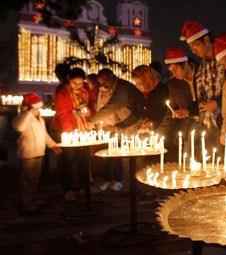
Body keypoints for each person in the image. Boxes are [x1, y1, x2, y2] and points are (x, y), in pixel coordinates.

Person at [89, 68, 144, 191]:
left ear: (111, 77)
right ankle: (125, 184)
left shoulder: (122, 88)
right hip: (121, 124)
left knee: (129, 157)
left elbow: (112, 106)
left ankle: (133, 186)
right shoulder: (111, 87)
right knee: (117, 154)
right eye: (101, 83)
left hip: (132, 124)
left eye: (104, 82)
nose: (103, 85)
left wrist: (92, 120)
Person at [13, 92, 61, 215]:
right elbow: (19, 127)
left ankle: (31, 202)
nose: (38, 110)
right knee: (27, 180)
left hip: (39, 152)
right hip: (28, 153)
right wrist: (28, 113)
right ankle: (25, 204)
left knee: (34, 180)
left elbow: (44, 134)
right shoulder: (22, 117)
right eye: (36, 108)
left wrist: (53, 145)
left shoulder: (40, 119)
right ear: (29, 107)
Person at [179, 21, 226, 139]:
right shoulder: (200, 69)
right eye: (191, 48)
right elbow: (201, 102)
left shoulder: (225, 60)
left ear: (206, 40)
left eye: (196, 45)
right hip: (208, 128)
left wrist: (218, 103)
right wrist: (189, 111)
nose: (193, 51)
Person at [53, 67, 94, 201]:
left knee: (84, 157)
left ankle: (83, 186)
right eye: (75, 83)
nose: (78, 86)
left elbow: (91, 105)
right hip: (69, 129)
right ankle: (69, 188)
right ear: (69, 81)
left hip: (84, 127)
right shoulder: (62, 93)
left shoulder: (86, 90)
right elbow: (63, 114)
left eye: (80, 83)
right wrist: (70, 131)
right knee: (69, 159)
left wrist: (88, 113)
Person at [160, 47, 198, 162]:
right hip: (188, 131)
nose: (174, 73)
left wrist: (190, 111)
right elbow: (170, 111)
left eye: (176, 69)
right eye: (171, 71)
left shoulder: (202, 74)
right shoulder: (173, 85)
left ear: (185, 64)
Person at [131, 65, 170, 132]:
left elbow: (165, 114)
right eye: (136, 83)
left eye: (140, 83)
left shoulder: (163, 91)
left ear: (149, 80)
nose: (138, 86)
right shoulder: (137, 94)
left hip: (161, 132)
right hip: (143, 130)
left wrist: (152, 124)